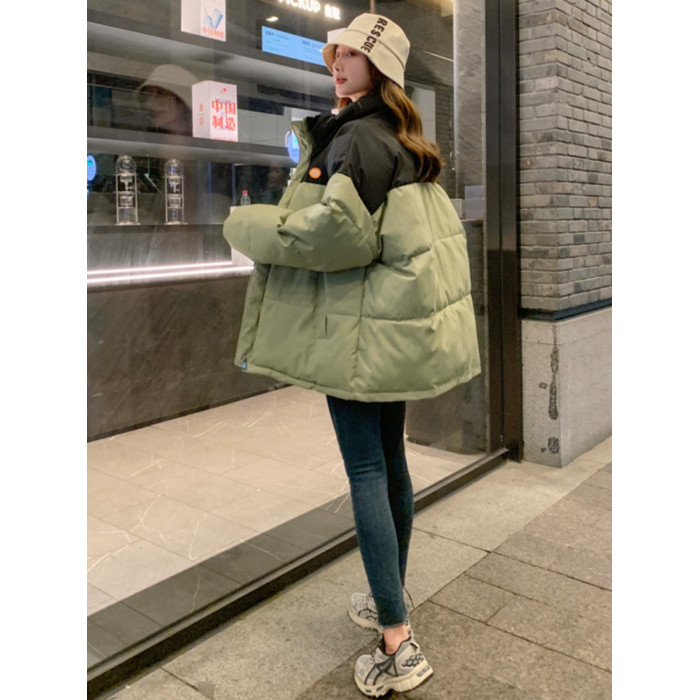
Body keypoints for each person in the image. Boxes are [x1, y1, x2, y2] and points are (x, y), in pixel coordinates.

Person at [223, 13, 480, 697]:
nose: (336, 64)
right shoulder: (401, 137)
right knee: (390, 463)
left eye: (351, 56)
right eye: (334, 54)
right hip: (389, 329)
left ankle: (396, 641)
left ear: (381, 67)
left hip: (359, 331)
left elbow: (335, 236)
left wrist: (247, 224)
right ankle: (388, 595)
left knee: (367, 468)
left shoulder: (356, 138)